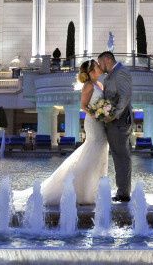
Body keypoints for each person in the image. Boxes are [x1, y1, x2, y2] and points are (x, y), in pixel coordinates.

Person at [37, 59, 108, 205]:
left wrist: (105, 113)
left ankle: (94, 189)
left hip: (101, 122)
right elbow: (83, 105)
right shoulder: (88, 86)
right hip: (93, 122)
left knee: (101, 150)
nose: (100, 68)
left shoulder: (100, 84)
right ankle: (83, 191)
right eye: (97, 66)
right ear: (91, 71)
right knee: (93, 149)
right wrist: (96, 114)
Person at [97, 50, 133, 202]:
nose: (100, 66)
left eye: (100, 63)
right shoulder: (109, 76)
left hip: (119, 122)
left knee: (121, 156)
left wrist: (114, 114)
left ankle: (124, 193)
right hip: (113, 123)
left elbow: (125, 97)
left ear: (107, 60)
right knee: (118, 156)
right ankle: (122, 190)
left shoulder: (121, 72)